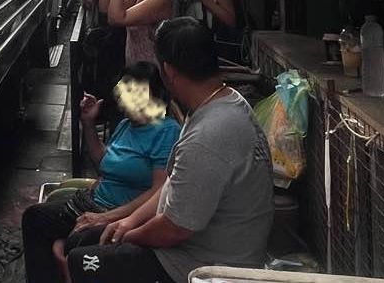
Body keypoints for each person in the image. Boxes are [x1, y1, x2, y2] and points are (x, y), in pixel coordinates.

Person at [62, 17, 274, 283]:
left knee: (81, 260)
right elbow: (170, 185)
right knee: (81, 240)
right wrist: (126, 222)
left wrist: (126, 236)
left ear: (169, 71)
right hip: (194, 244)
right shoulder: (222, 102)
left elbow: (174, 229)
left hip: (203, 263)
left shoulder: (207, 136)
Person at [22, 63, 181, 283]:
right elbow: (103, 163)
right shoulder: (125, 125)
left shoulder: (166, 131)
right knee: (34, 217)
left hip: (118, 215)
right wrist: (88, 122)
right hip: (91, 203)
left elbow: (159, 190)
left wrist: (106, 217)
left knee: (73, 244)